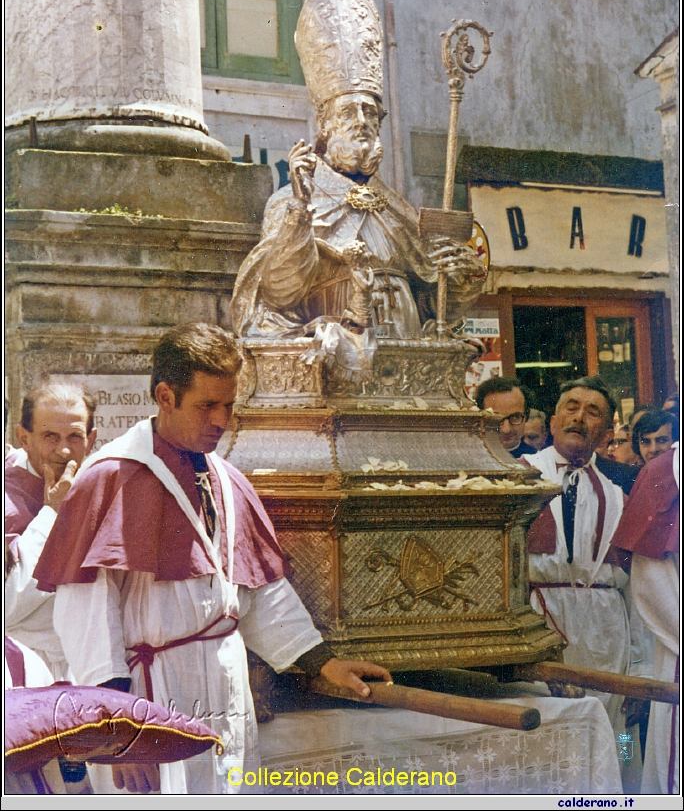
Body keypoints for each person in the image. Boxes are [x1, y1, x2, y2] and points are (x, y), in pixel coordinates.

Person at [33, 324, 391, 795]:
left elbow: (260, 592)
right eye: (207, 405)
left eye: (229, 404)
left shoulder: (227, 479)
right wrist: (118, 734)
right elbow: (86, 619)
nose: (222, 419)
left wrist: (323, 661)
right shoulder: (110, 480)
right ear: (165, 396)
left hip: (226, 692)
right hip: (147, 703)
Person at [230, 0, 484, 344]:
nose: (362, 121)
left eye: (370, 112)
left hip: (406, 354)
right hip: (337, 350)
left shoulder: (396, 209)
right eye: (348, 112)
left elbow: (435, 303)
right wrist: (300, 213)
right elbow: (279, 292)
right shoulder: (291, 201)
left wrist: (460, 279)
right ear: (325, 124)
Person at [522, 377, 629, 726]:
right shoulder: (516, 478)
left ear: (607, 434)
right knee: (549, 730)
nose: (579, 417)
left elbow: (636, 585)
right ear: (553, 422)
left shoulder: (619, 494)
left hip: (607, 630)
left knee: (618, 727)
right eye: (571, 407)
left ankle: (623, 779)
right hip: (540, 624)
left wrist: (641, 663)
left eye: (592, 412)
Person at [5, 382, 98, 677]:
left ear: (92, 439)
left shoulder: (103, 486)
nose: (64, 450)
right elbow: (9, 604)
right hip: (23, 672)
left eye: (75, 436)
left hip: (86, 667)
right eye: (49, 437)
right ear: (23, 437)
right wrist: (53, 514)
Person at [611, 444, 679, 795]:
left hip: (617, 625)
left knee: (623, 728)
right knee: (616, 726)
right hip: (661, 634)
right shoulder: (664, 474)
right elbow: (651, 583)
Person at [474, 376, 536, 458]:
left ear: (526, 416)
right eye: (496, 419)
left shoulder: (537, 461)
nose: (506, 430)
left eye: (515, 417)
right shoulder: (469, 458)